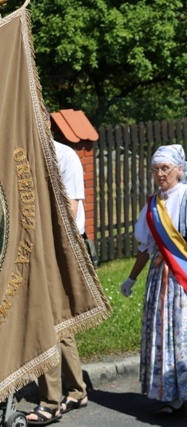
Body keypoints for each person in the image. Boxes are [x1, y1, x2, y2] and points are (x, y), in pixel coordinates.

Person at [119, 144, 187, 417]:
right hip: (161, 280)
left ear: (179, 169)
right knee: (166, 335)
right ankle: (174, 394)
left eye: (165, 168)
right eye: (155, 169)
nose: (160, 174)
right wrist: (131, 278)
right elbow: (145, 248)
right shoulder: (152, 205)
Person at [26, 140, 89, 425]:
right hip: (33, 249)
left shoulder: (63, 155)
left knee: (44, 321)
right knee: (58, 322)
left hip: (60, 247)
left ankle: (50, 402)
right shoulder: (22, 153)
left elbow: (70, 210)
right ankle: (77, 390)